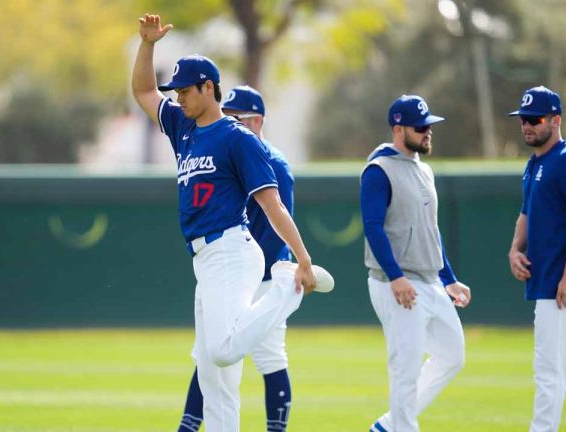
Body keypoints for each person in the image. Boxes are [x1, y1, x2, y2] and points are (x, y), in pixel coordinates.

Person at [132, 14, 333, 431]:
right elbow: (144, 90)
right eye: (178, 92)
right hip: (204, 260)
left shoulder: (237, 137)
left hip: (231, 251)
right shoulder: (184, 128)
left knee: (223, 351)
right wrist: (147, 44)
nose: (180, 98)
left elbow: (273, 204)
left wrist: (302, 260)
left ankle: (284, 290)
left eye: (186, 90)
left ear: (209, 87)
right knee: (213, 375)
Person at [177, 86, 296, 432]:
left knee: (268, 357)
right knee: (209, 356)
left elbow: (277, 218)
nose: (229, 121)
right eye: (226, 115)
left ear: (257, 120)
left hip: (266, 272)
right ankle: (187, 428)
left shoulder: (272, 160)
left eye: (237, 117)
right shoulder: (228, 147)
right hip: (230, 271)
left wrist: (280, 268)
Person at [361, 95, 471, 432]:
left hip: (430, 281)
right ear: (398, 128)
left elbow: (429, 230)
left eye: (429, 126)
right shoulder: (378, 171)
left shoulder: (424, 169)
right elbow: (372, 227)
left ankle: (388, 424)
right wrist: (395, 277)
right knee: (405, 368)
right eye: (420, 127)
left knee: (452, 355)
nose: (428, 132)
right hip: (396, 283)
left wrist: (448, 277)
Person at [507, 85, 566, 432]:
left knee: (549, 373)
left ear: (556, 120)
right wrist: (515, 249)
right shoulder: (535, 164)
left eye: (535, 119)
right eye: (523, 120)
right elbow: (526, 213)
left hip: (563, 285)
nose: (527, 126)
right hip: (549, 280)